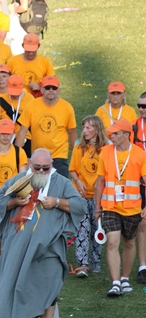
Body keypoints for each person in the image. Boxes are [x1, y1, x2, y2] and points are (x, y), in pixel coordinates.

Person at [0, 149, 86, 318]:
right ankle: (29, 317)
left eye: (46, 168)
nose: (42, 171)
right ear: (30, 164)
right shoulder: (19, 181)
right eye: (38, 168)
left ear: (52, 165)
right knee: (22, 283)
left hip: (50, 245)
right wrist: (15, 202)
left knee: (50, 286)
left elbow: (80, 206)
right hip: (20, 245)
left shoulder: (62, 183)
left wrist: (57, 202)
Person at [94, 119, 146, 296]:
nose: (111, 136)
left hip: (132, 208)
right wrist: (97, 207)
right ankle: (115, 282)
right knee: (112, 242)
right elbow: (100, 181)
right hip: (110, 206)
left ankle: (125, 278)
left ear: (126, 135)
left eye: (116, 133)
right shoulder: (105, 152)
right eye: (111, 133)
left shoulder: (140, 154)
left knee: (129, 242)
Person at [0, 119, 28, 273]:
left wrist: (22, 193)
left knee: (12, 231)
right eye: (2, 134)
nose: (5, 137)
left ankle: (10, 258)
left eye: (8, 134)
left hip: (12, 193)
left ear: (13, 134)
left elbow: (23, 176)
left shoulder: (19, 152)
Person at [15, 76, 77, 178]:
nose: (51, 90)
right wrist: (16, 154)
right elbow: (22, 131)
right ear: (42, 90)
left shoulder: (67, 108)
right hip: (38, 157)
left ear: (59, 90)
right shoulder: (32, 105)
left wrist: (76, 156)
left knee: (59, 186)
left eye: (54, 88)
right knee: (37, 187)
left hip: (59, 155)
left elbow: (72, 132)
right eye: (47, 88)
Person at [69, 115, 106, 277]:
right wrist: (78, 181)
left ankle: (96, 260)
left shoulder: (105, 149)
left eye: (88, 128)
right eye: (84, 127)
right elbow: (72, 169)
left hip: (99, 197)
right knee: (83, 228)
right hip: (81, 196)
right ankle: (82, 264)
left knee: (97, 228)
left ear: (97, 130)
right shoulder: (79, 148)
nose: (84, 131)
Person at [133, 92, 146, 283]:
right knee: (142, 223)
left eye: (145, 106)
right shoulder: (133, 127)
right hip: (140, 183)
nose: (142, 109)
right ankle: (143, 266)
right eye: (140, 106)